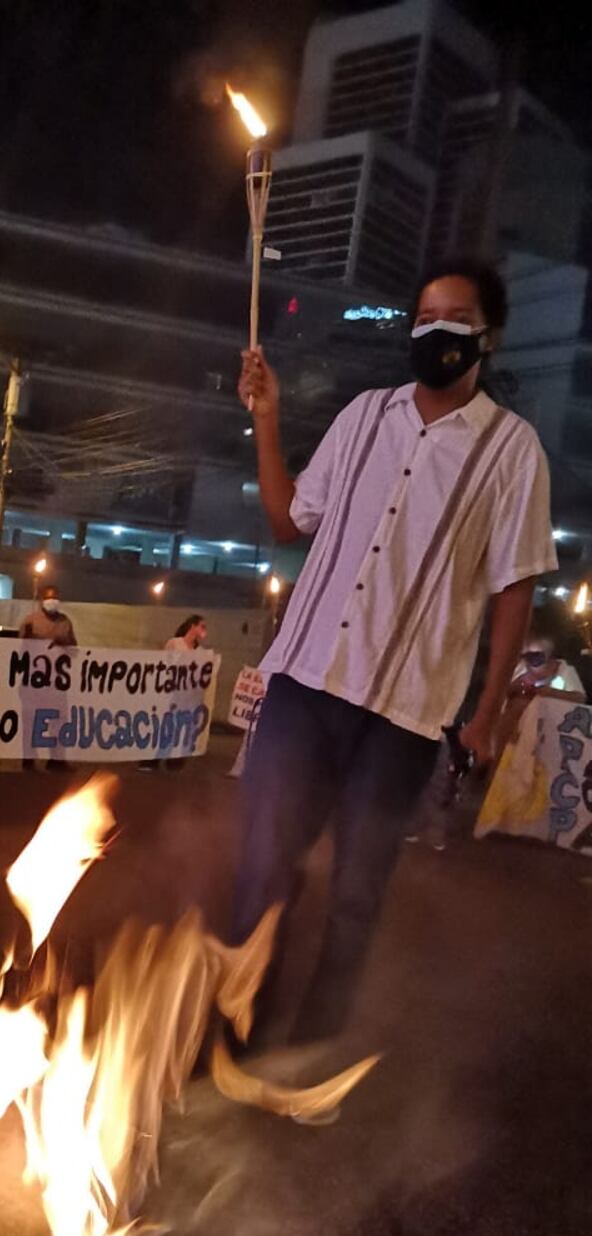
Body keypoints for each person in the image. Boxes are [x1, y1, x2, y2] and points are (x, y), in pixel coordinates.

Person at [233, 259, 555, 1049]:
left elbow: (517, 587)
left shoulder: (514, 452)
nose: (434, 330)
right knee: (261, 874)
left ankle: (309, 1062)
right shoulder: (364, 416)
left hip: (405, 715)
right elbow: (286, 520)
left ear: (486, 336)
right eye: (424, 316)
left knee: (355, 894)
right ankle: (229, 1033)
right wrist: (267, 418)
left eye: (454, 317)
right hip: (304, 685)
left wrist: (484, 716)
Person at [20, 584, 77, 771]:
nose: (52, 601)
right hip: (34, 682)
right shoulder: (30, 621)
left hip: (57, 683)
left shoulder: (65, 622)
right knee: (31, 719)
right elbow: (20, 652)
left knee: (59, 720)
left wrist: (65, 643)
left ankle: (57, 759)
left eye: (55, 597)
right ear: (42, 600)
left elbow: (74, 650)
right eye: (48, 597)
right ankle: (28, 758)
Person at [154, 615, 208, 772]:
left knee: (182, 728)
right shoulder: (174, 643)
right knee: (166, 726)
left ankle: (175, 761)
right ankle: (154, 759)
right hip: (172, 693)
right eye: (202, 626)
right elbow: (164, 664)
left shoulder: (200, 651)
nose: (204, 631)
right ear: (193, 626)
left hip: (188, 697)